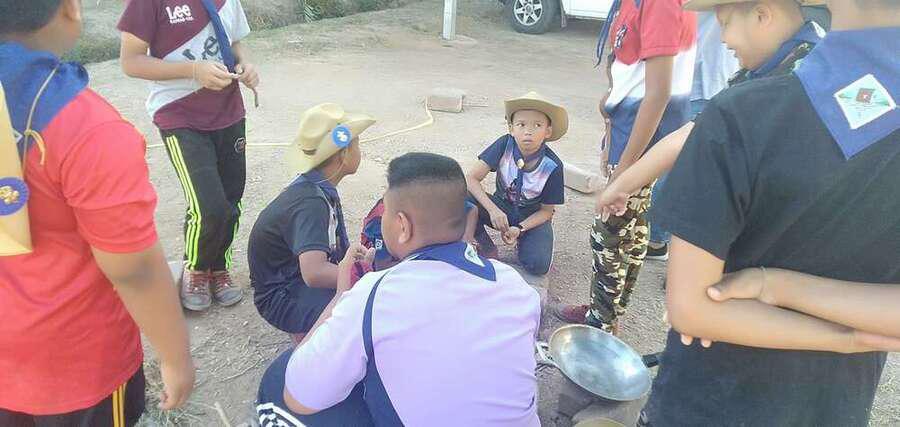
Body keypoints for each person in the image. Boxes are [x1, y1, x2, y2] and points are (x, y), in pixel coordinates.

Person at [640, 0, 900, 424]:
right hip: (833, 406)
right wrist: (785, 291)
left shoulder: (743, 113)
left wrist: (775, 289)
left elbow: (693, 309)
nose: (724, 37)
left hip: (710, 402)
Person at [0, 1, 195, 425]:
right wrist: (175, 356)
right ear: (70, 9)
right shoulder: (88, 127)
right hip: (76, 363)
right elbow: (134, 269)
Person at [256, 153, 541, 426]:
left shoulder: (374, 294)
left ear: (403, 226)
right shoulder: (514, 284)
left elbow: (299, 395)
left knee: (279, 378)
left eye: (387, 214)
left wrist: (342, 294)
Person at [594, 0, 826, 220]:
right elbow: (696, 129)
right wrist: (624, 184)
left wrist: (623, 180)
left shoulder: (800, 80)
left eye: (725, 24)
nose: (723, 39)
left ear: (761, 16)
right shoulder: (768, 68)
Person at [557, 0, 697, 333]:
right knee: (632, 228)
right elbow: (626, 64)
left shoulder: (660, 3)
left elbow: (658, 93)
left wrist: (625, 170)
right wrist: (609, 120)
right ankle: (610, 312)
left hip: (641, 139)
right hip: (629, 130)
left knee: (608, 233)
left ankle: (601, 324)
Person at [118, 0, 260, 311]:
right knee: (207, 205)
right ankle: (196, 268)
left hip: (229, 112)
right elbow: (130, 61)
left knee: (231, 200)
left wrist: (245, 65)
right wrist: (193, 70)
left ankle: (219, 267)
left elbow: (234, 42)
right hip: (179, 115)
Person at [248, 103, 375, 344]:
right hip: (279, 296)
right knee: (359, 306)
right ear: (343, 154)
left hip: (288, 279)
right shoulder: (311, 203)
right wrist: (364, 276)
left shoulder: (315, 187)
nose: (360, 151)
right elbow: (314, 273)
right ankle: (312, 342)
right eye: (357, 144)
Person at [464, 91, 568, 276]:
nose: (528, 131)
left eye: (537, 125)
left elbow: (546, 212)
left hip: (531, 216)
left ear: (548, 131)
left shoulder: (552, 166)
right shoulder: (504, 145)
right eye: (521, 124)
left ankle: (525, 242)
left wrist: (520, 228)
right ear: (511, 128)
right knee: (461, 194)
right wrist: (493, 210)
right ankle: (485, 245)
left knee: (538, 265)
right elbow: (471, 178)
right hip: (501, 208)